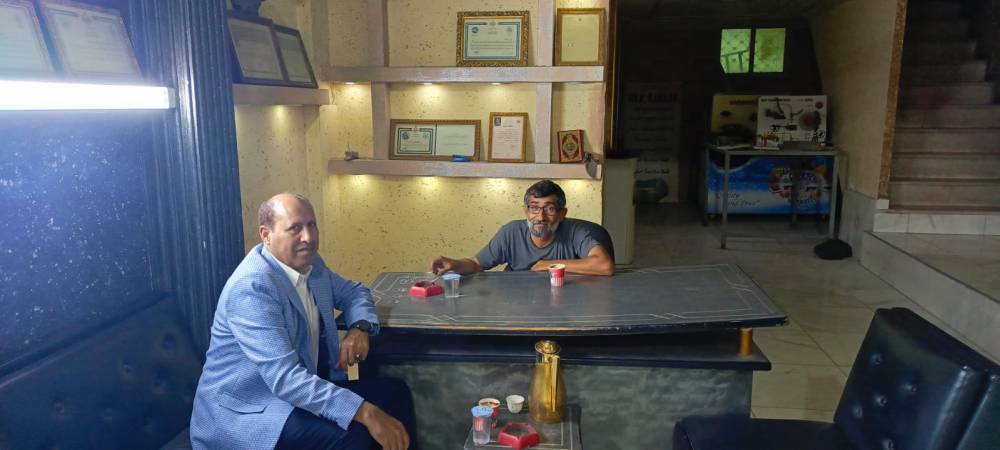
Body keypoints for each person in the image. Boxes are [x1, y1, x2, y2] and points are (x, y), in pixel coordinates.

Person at [191, 193, 415, 450]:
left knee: (394, 393)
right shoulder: (252, 288)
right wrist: (364, 411)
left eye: (312, 225)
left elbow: (354, 293)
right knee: (356, 435)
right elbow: (285, 379)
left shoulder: (310, 264)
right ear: (266, 235)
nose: (308, 237)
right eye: (295, 228)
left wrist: (359, 327)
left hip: (295, 394)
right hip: (251, 411)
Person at [431, 180, 614, 276]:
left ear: (562, 213)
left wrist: (549, 265)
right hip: (518, 302)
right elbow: (477, 264)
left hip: (564, 303)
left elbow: (604, 265)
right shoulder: (511, 232)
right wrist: (454, 264)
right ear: (526, 211)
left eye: (549, 209)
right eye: (534, 208)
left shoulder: (576, 232)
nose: (540, 217)